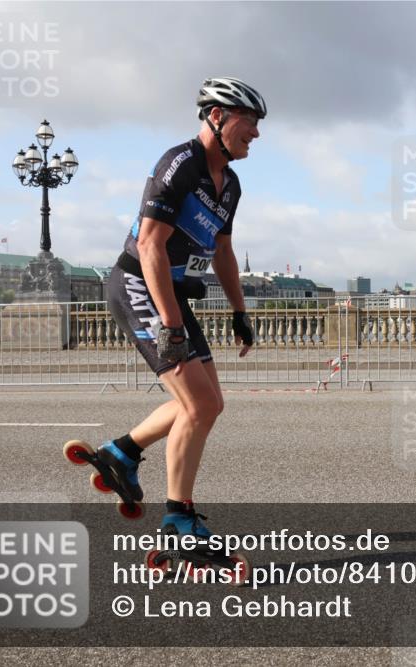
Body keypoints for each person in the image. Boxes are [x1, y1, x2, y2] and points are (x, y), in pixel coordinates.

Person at [101, 76, 265, 537]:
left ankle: (121, 453)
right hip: (139, 284)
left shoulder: (229, 184)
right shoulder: (180, 164)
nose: (255, 133)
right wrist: (172, 327)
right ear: (217, 116)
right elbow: (151, 245)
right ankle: (178, 518)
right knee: (198, 406)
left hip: (171, 296)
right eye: (248, 122)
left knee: (209, 404)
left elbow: (225, 252)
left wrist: (239, 311)